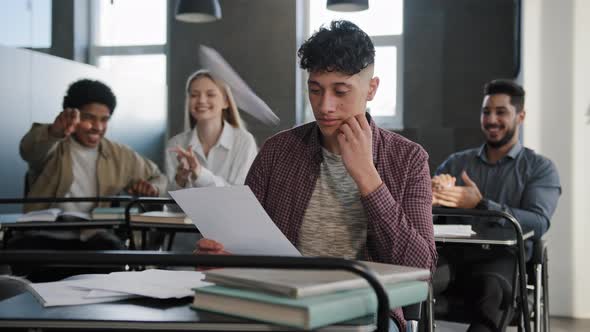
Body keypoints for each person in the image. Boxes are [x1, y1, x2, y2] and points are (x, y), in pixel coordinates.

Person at [196, 20, 436, 332]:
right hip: (279, 304)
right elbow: (243, 241)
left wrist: (367, 177)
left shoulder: (408, 159)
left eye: (341, 91)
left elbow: (422, 268)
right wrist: (220, 255)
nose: (325, 107)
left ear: (371, 89)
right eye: (315, 90)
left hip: (367, 310)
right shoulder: (277, 151)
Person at [431, 79, 561, 331]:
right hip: (453, 258)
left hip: (504, 261)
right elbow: (428, 217)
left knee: (492, 292)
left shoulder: (539, 168)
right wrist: (432, 195)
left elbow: (538, 222)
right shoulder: (456, 164)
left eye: (501, 112)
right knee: (413, 283)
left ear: (520, 116)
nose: (491, 119)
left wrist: (480, 204)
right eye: (486, 111)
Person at [13, 79, 167, 280]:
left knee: (113, 254)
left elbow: (158, 177)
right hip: (44, 235)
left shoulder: (119, 154)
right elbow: (29, 150)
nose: (98, 127)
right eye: (89, 118)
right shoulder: (52, 142)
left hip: (92, 237)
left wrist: (152, 188)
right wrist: (54, 132)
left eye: (104, 120)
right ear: (71, 115)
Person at [165, 70, 258, 189]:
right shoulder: (175, 145)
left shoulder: (244, 141)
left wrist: (199, 173)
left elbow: (239, 196)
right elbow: (169, 205)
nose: (201, 100)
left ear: (226, 102)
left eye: (210, 94)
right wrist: (180, 180)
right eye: (194, 95)